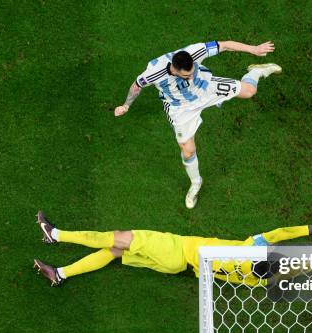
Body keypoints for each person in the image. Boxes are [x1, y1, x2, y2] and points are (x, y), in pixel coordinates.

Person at [114, 40, 282, 208]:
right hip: (180, 108)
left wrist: (253, 49)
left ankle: (256, 71)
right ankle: (196, 183)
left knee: (249, 91)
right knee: (188, 151)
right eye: (187, 76)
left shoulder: (194, 52)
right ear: (174, 70)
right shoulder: (154, 73)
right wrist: (126, 105)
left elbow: (224, 45)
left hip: (205, 88)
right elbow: (136, 86)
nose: (191, 76)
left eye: (192, 71)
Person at [33, 211, 312, 287]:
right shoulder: (252, 279)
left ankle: (56, 234)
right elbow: (287, 271)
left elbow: (278, 234)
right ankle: (60, 273)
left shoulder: (252, 246)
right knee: (114, 253)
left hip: (174, 249)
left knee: (118, 238)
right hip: (176, 266)